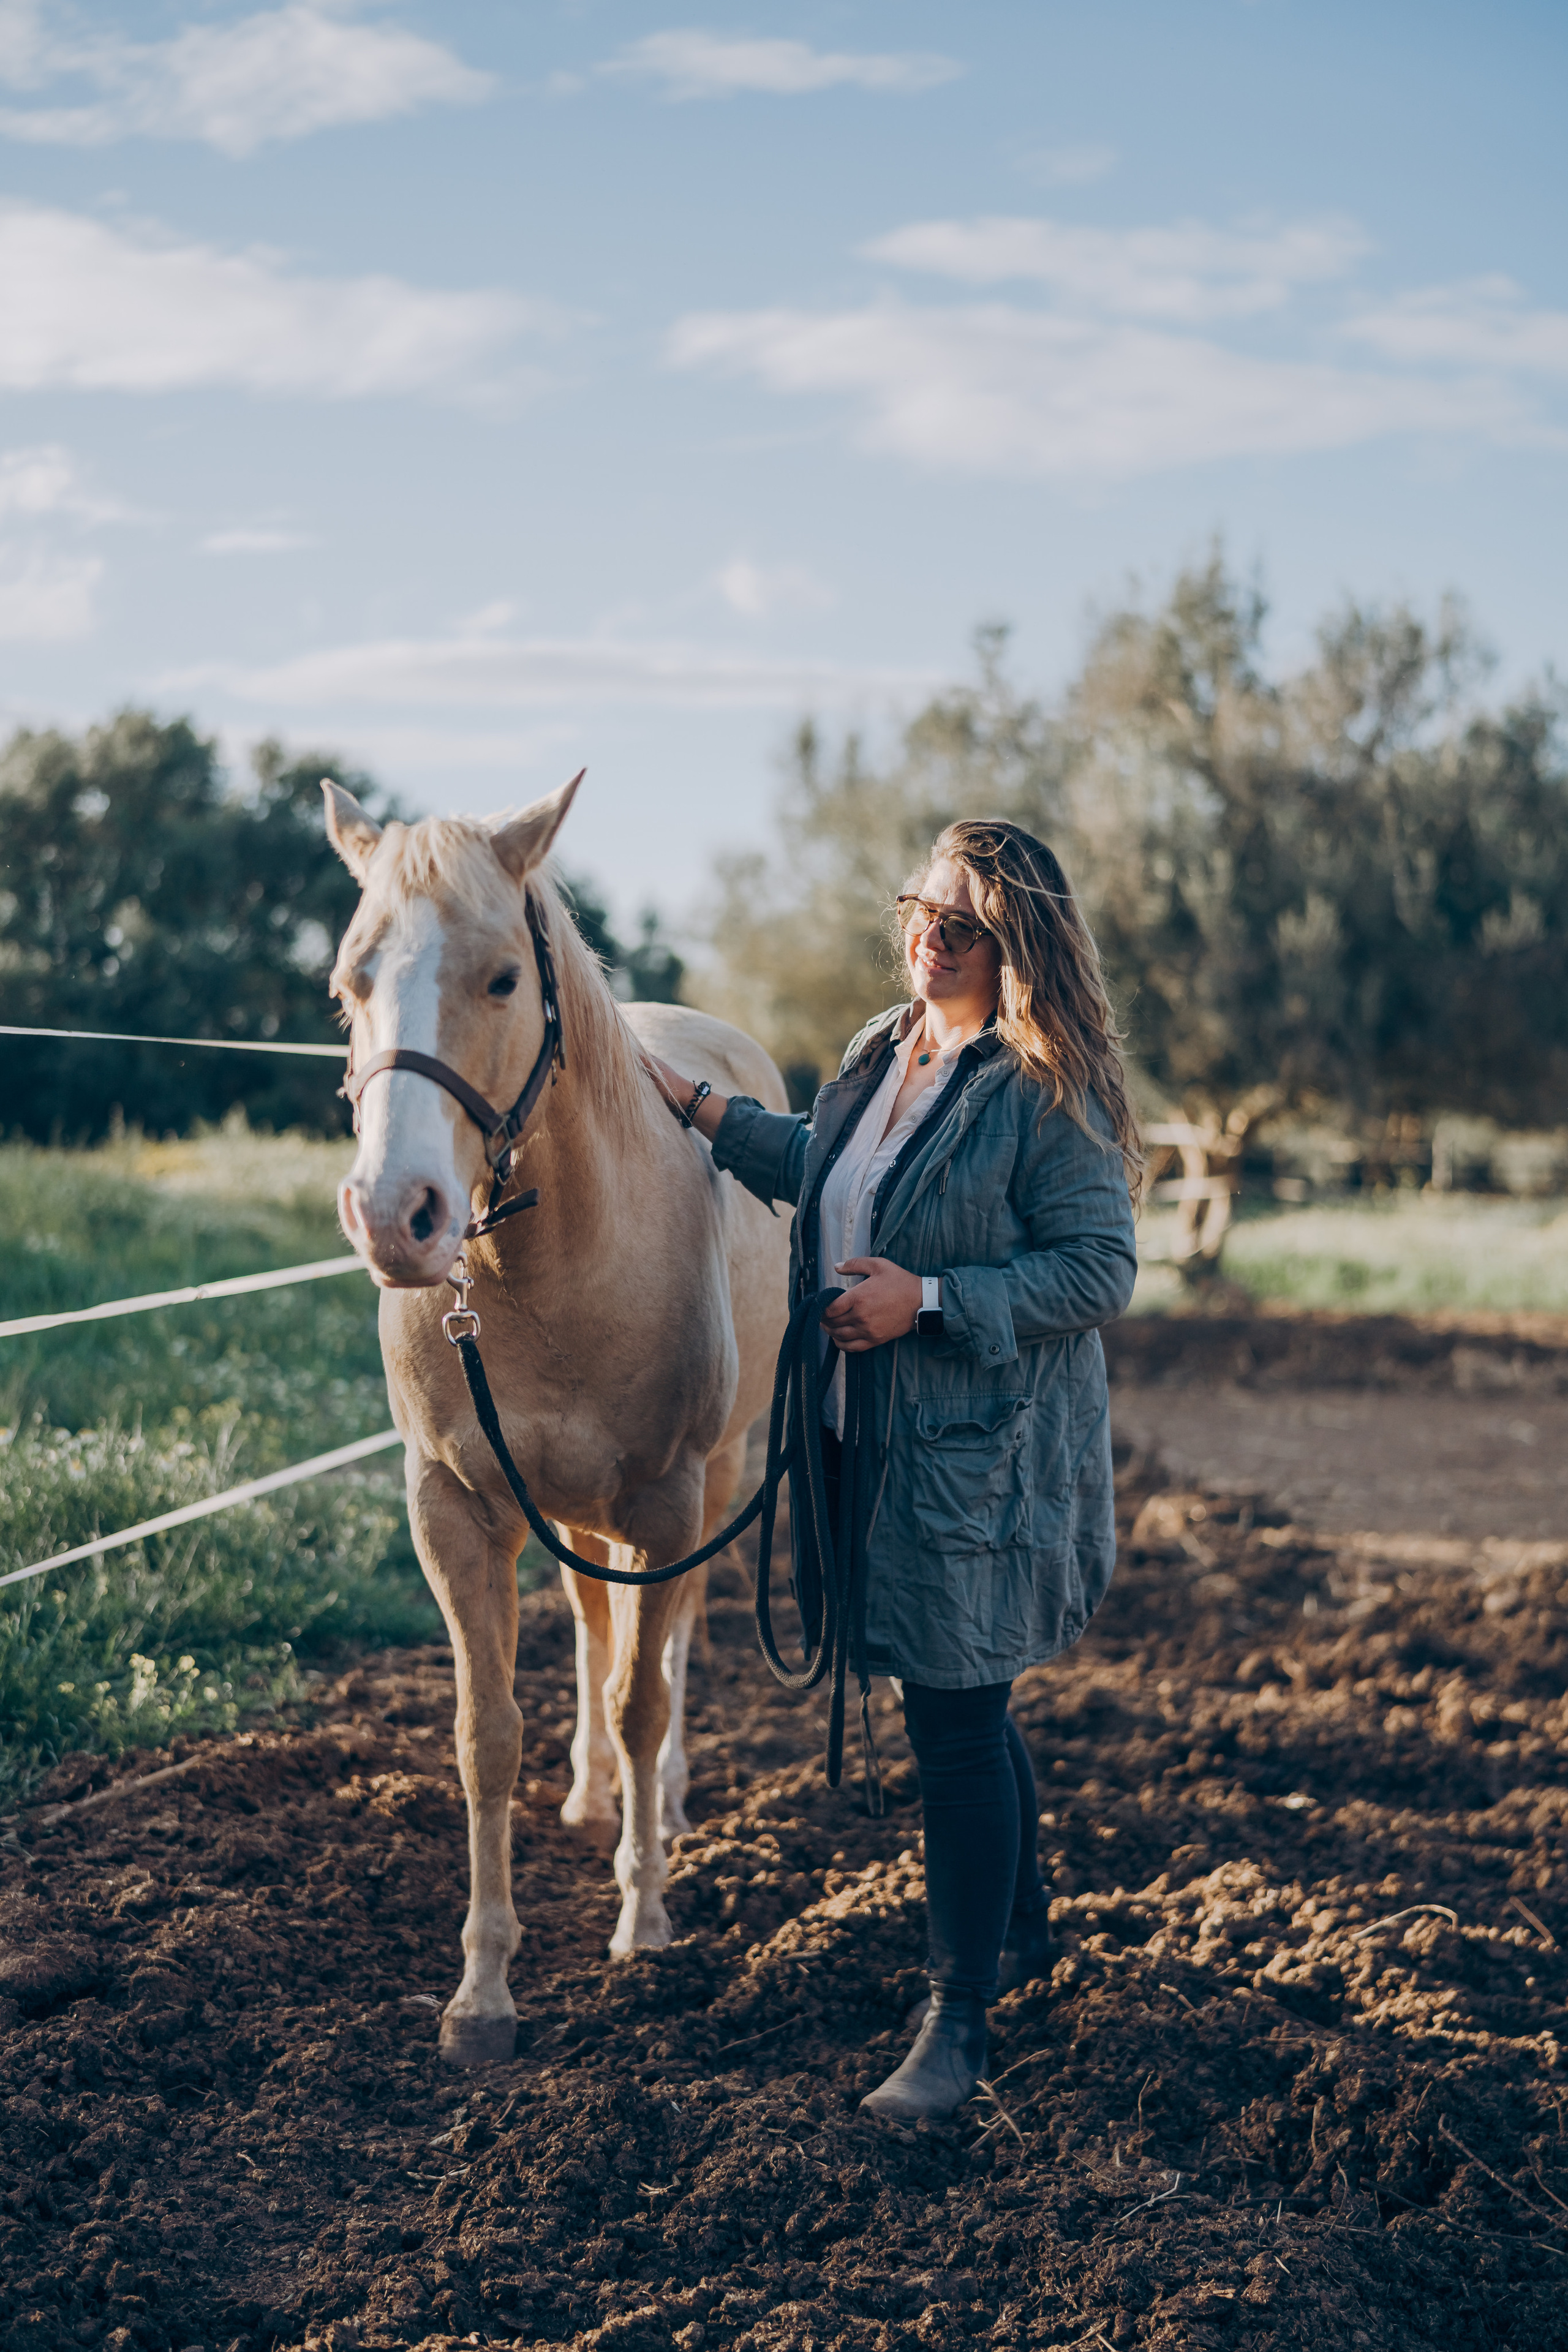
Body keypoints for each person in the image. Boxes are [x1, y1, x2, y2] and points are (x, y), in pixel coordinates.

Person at [647, 818, 1140, 2120]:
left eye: (961, 922)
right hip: (867, 1436)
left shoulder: (1044, 1084)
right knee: (964, 1694)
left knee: (954, 1723)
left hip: (975, 1458)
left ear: (1017, 942)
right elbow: (827, 1173)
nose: (928, 934)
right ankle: (1021, 1938)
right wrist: (697, 1110)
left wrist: (924, 1300)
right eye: (918, 906)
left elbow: (1099, 1273)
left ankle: (958, 2021)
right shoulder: (887, 1044)